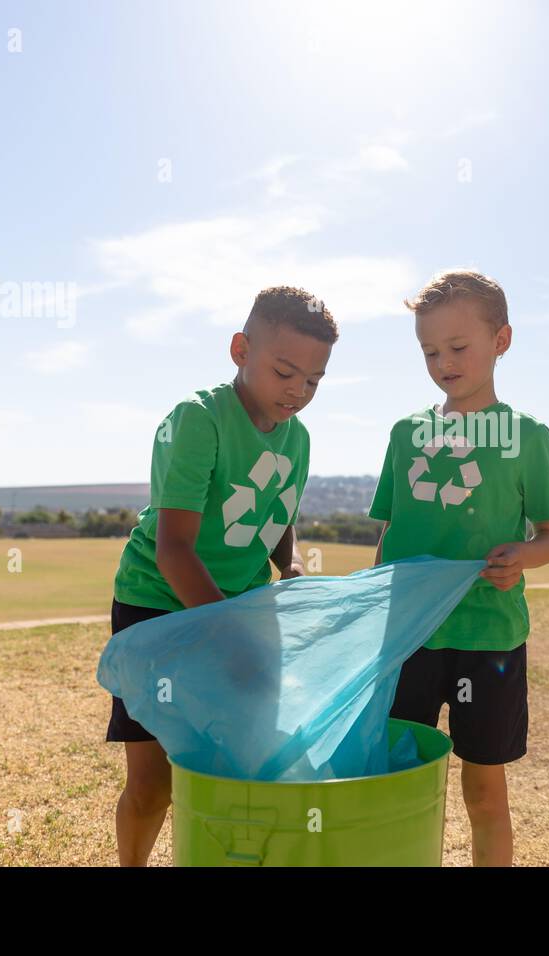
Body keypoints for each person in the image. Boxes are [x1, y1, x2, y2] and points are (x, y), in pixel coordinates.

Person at [107, 286, 336, 866]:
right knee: (154, 780)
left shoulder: (299, 438)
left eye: (313, 381)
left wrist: (292, 564)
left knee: (248, 761)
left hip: (241, 612)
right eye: (285, 371)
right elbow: (174, 551)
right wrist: (227, 629)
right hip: (159, 605)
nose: (298, 391)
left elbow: (276, 511)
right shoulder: (197, 420)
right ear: (240, 349)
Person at [369, 269, 549, 867]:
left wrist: (523, 557)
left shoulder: (528, 436)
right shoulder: (407, 435)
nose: (443, 362)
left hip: (490, 639)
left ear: (501, 341)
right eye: (430, 351)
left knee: (484, 794)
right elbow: (387, 540)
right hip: (410, 637)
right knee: (398, 786)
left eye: (458, 348)